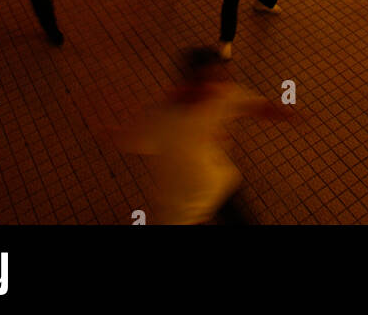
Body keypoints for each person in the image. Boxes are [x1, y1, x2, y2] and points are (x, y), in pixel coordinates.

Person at [110, 46, 291, 224]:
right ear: (190, 82)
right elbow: (131, 139)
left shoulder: (220, 95)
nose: (216, 86)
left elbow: (253, 105)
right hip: (184, 210)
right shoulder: (162, 120)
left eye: (220, 78)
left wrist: (281, 112)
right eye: (208, 80)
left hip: (220, 187)